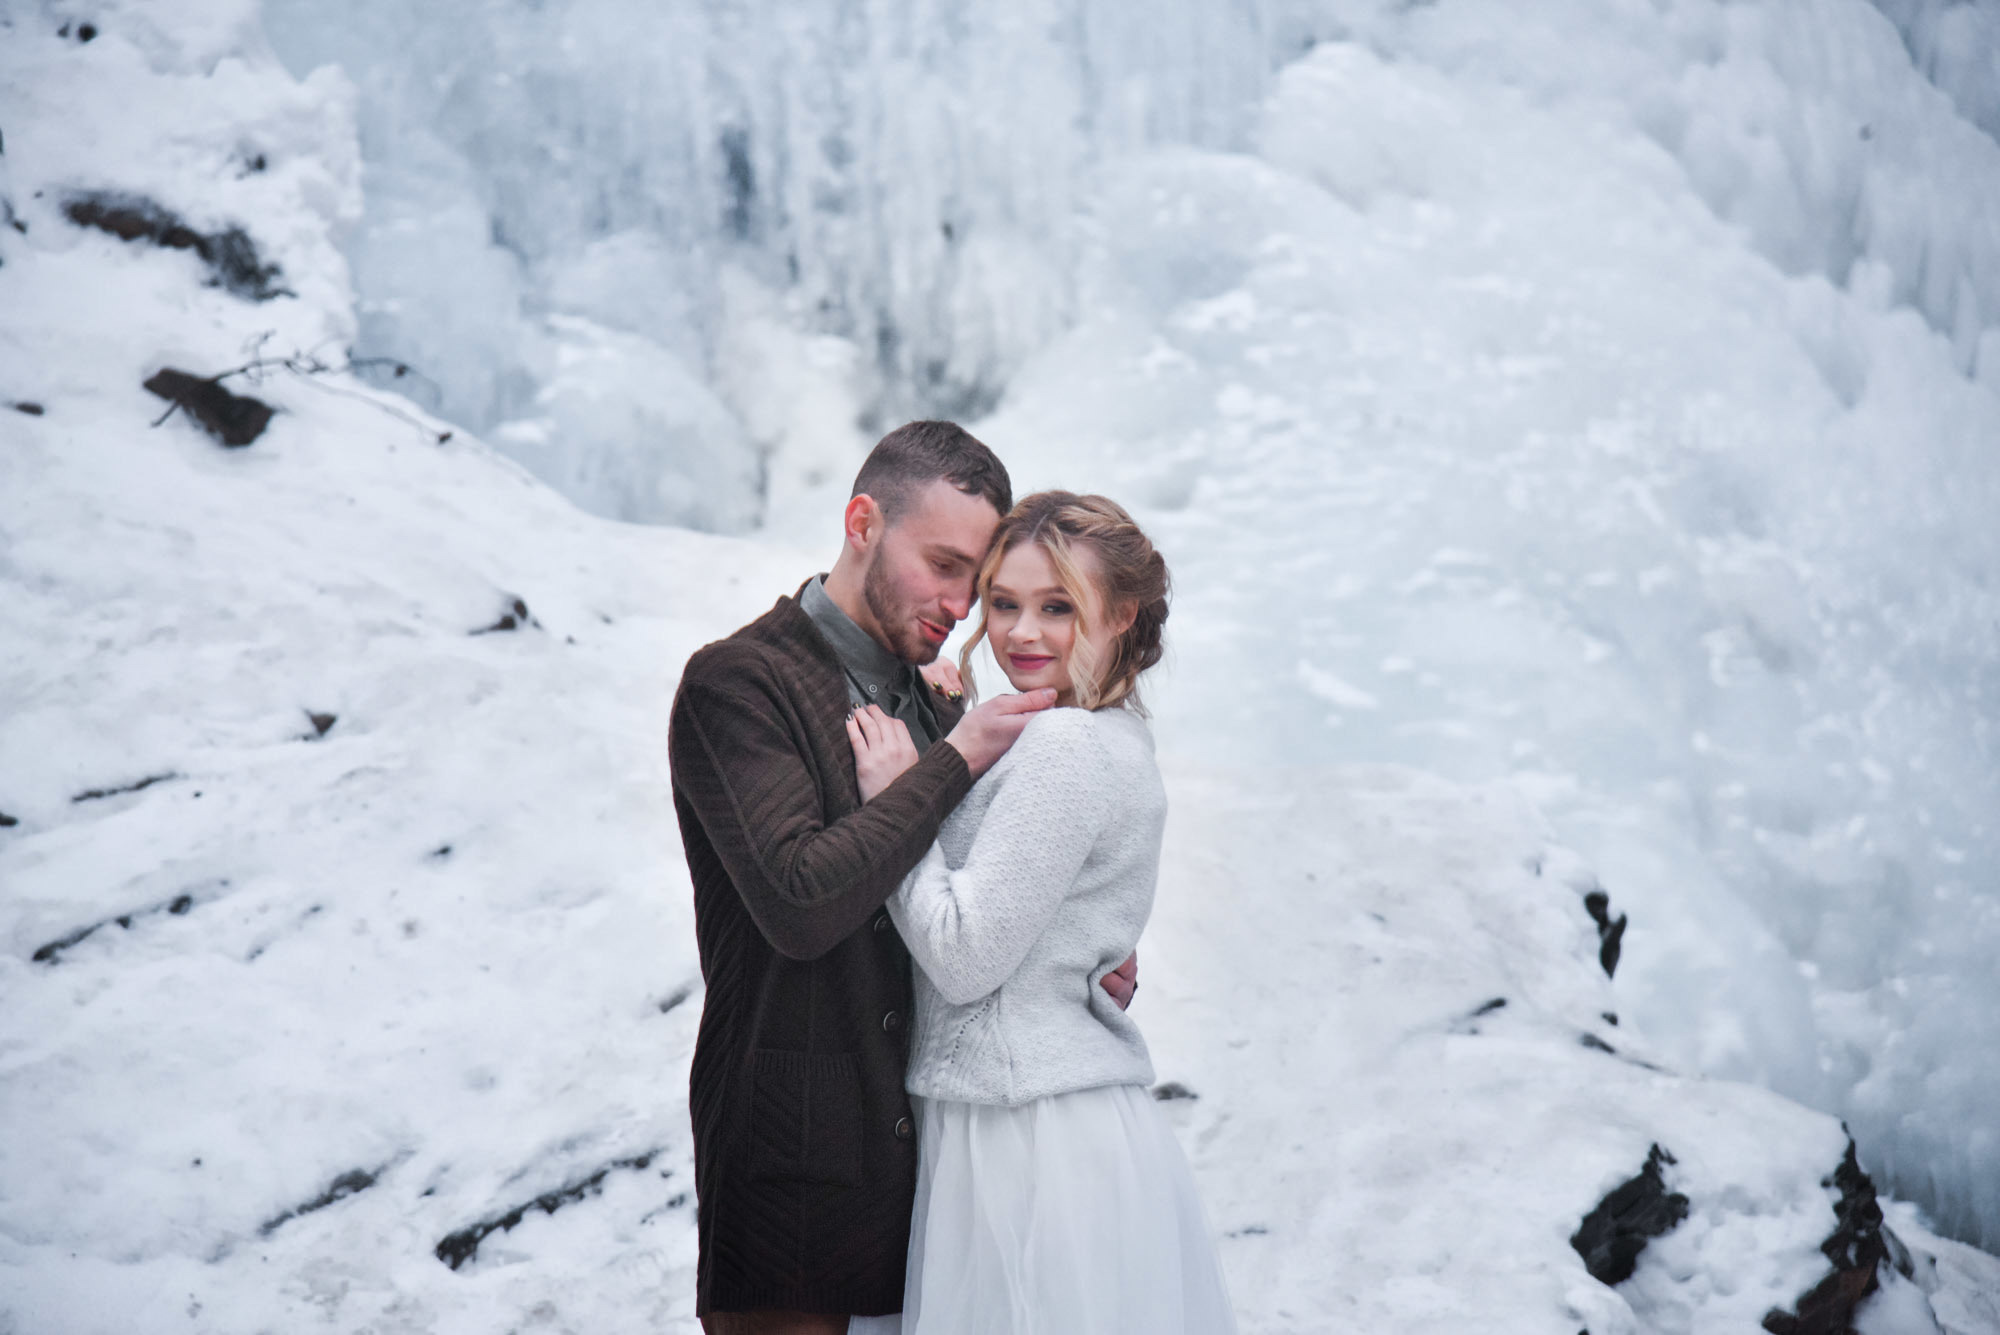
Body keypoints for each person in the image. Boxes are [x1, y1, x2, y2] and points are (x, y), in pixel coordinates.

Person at [667, 424, 1137, 1335]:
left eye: (978, 579)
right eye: (945, 565)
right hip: (788, 1174)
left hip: (932, 1176)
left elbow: (972, 892)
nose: (964, 605)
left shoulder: (936, 696)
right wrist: (951, 760)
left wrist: (1079, 942)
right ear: (861, 522)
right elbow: (802, 899)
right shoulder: (736, 685)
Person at [848, 490, 1237, 1334]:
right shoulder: (1096, 734)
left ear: (1122, 614)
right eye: (1006, 604)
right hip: (1042, 1114)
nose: (1024, 633)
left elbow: (961, 954)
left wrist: (898, 803)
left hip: (1022, 1136)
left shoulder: (1066, 747)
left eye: (1058, 606)